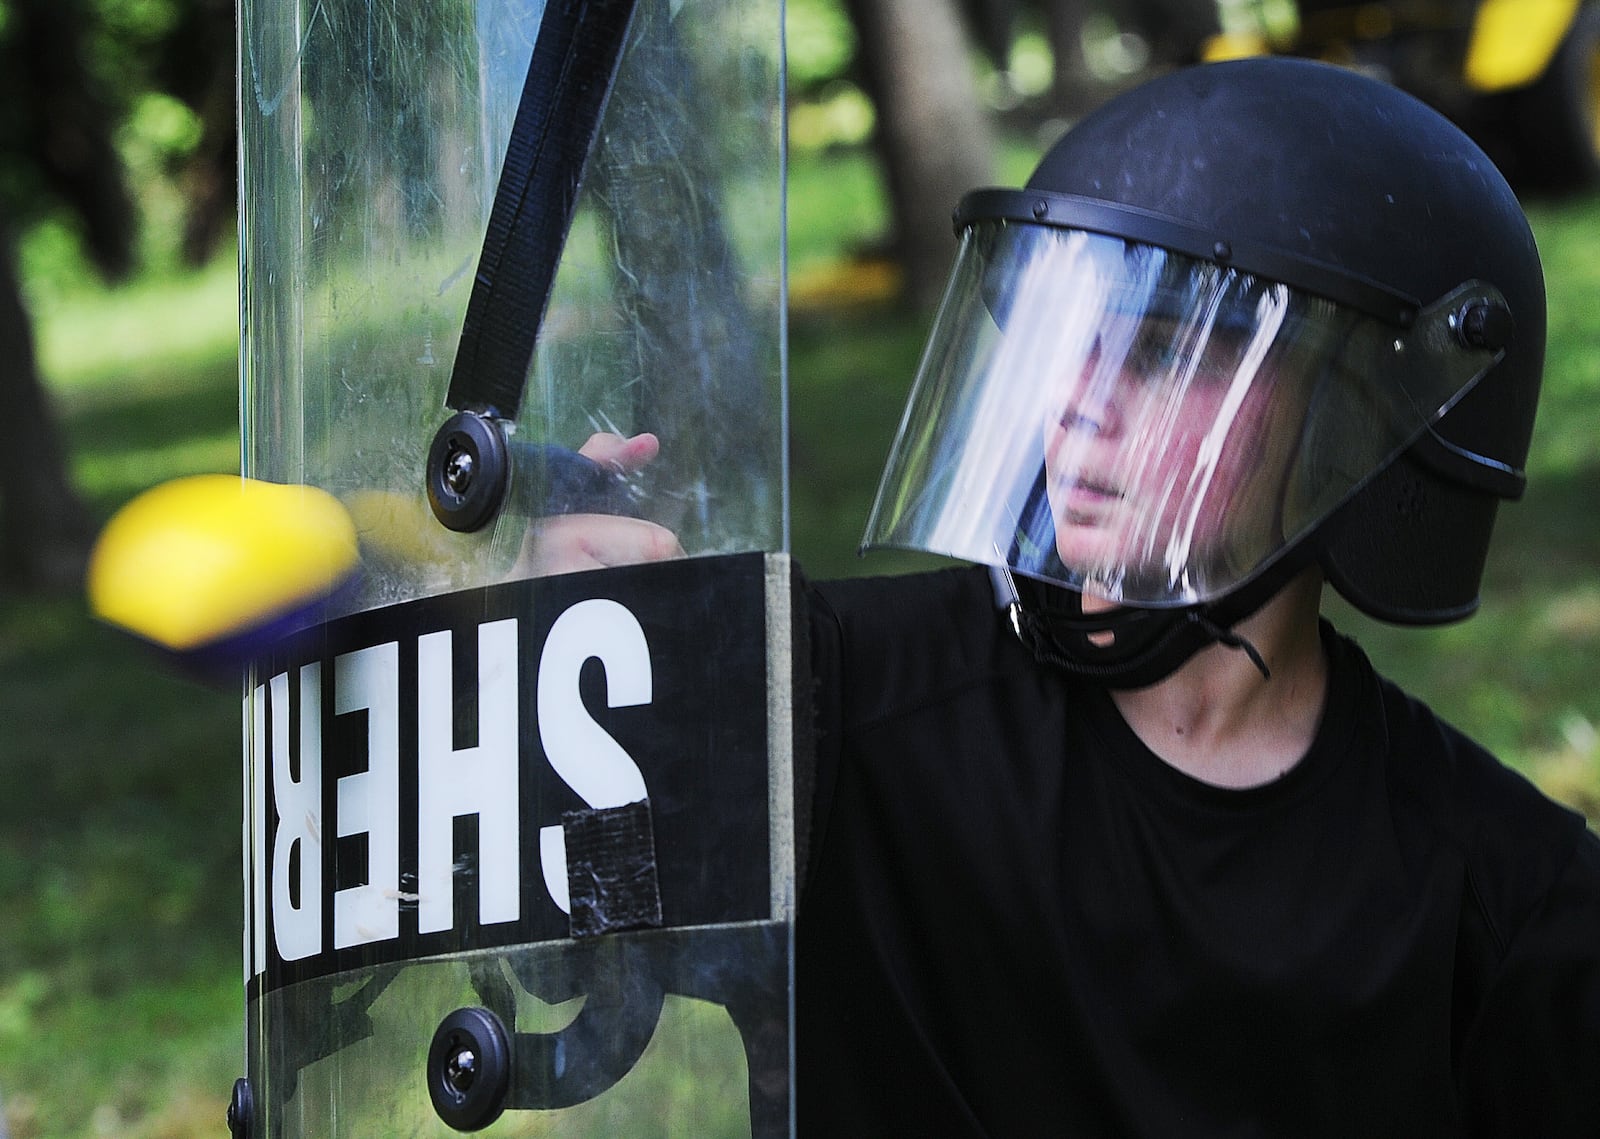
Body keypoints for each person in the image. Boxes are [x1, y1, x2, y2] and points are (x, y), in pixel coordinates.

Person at [536, 58, 1600, 1136]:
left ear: (1357, 420)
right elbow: (541, 906)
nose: (1077, 403)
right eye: (1061, 337)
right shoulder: (830, 704)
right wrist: (544, 629)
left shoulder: (1510, 907)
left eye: (1160, 352)